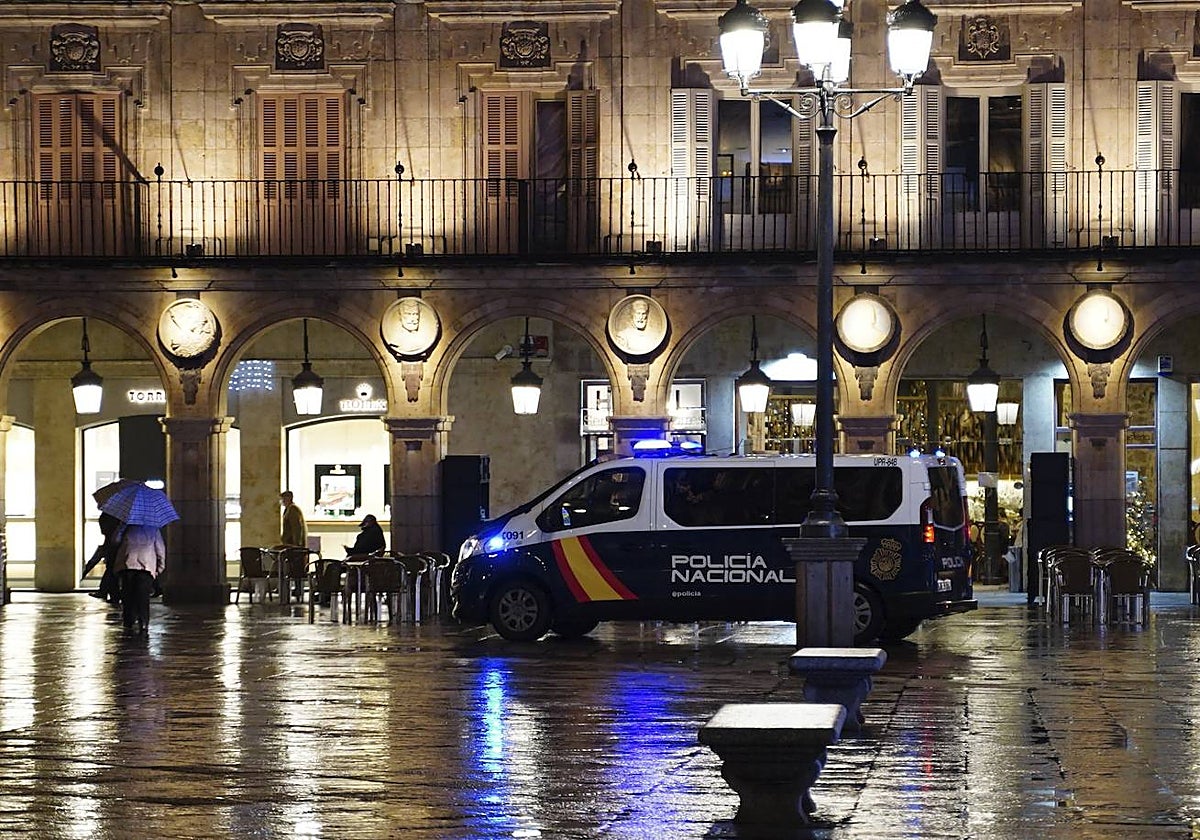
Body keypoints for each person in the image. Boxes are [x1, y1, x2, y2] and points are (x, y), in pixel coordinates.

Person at [113, 523, 165, 635]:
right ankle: (143, 622)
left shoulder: (127, 525)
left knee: (128, 595)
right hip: (146, 567)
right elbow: (160, 549)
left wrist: (121, 528)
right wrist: (159, 568)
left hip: (128, 565)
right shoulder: (153, 528)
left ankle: (129, 621)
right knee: (143, 597)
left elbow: (116, 541)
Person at [84, 512, 125, 605]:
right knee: (112, 571)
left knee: (111, 571)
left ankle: (110, 593)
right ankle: (108, 592)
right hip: (118, 546)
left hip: (112, 546)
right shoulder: (120, 517)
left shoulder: (110, 515)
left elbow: (106, 531)